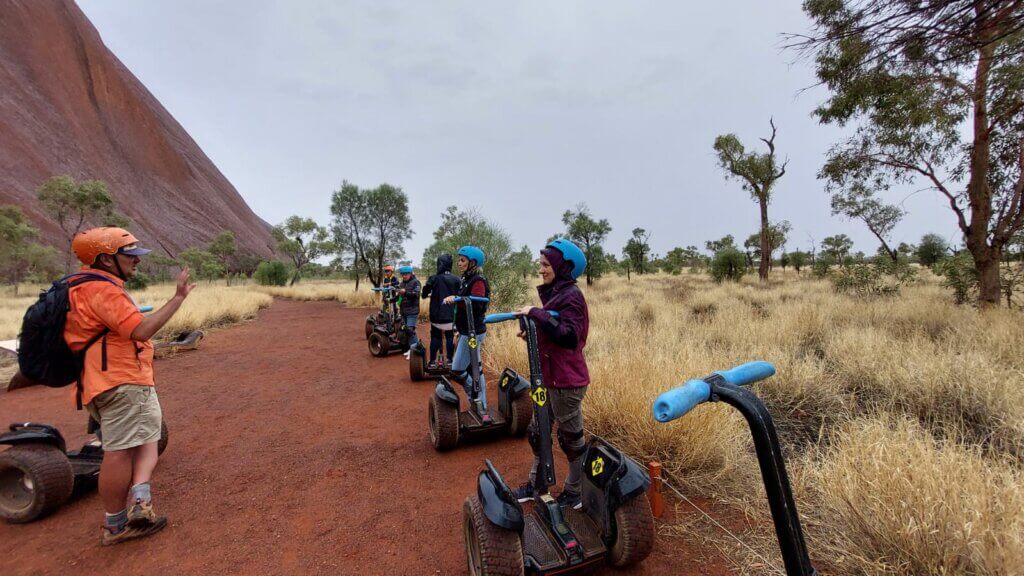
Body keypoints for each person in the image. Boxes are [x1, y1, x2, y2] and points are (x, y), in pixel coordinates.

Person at [65, 227, 195, 545]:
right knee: (119, 453)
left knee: (145, 440)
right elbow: (140, 330)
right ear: (107, 259)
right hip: (121, 382)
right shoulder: (103, 291)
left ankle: (141, 501)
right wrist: (177, 299)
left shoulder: (79, 287)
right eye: (130, 256)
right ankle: (116, 525)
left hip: (103, 380)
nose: (136, 262)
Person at [513, 239, 590, 510]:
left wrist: (535, 313)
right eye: (541, 264)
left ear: (562, 266)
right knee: (538, 432)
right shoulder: (558, 294)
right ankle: (537, 484)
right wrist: (533, 331)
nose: (541, 269)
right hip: (549, 378)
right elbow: (554, 330)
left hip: (567, 382)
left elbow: (569, 336)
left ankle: (575, 492)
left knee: (571, 441)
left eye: (546, 264)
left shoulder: (571, 297)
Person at [443, 246, 490, 411]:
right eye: (459, 260)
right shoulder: (466, 279)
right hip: (466, 331)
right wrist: (457, 331)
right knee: (475, 367)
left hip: (474, 331)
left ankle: (477, 400)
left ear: (473, 263)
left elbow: (477, 303)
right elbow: (463, 307)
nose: (459, 263)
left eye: (463, 260)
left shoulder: (478, 281)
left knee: (457, 369)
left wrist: (456, 299)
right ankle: (480, 402)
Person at [420, 254, 460, 369]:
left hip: (436, 316)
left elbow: (424, 294)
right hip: (451, 316)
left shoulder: (434, 278)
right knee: (449, 336)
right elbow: (461, 295)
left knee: (436, 337)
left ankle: (432, 362)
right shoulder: (456, 279)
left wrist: (428, 291)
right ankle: (450, 361)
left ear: (439, 264)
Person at [397, 265, 421, 357]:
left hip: (412, 311)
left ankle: (415, 350)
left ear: (411, 273)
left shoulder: (416, 282)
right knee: (407, 331)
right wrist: (393, 299)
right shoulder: (402, 284)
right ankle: (412, 348)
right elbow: (400, 296)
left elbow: (416, 295)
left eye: (406, 274)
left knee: (410, 330)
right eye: (402, 274)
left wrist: (405, 292)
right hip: (404, 311)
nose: (404, 276)